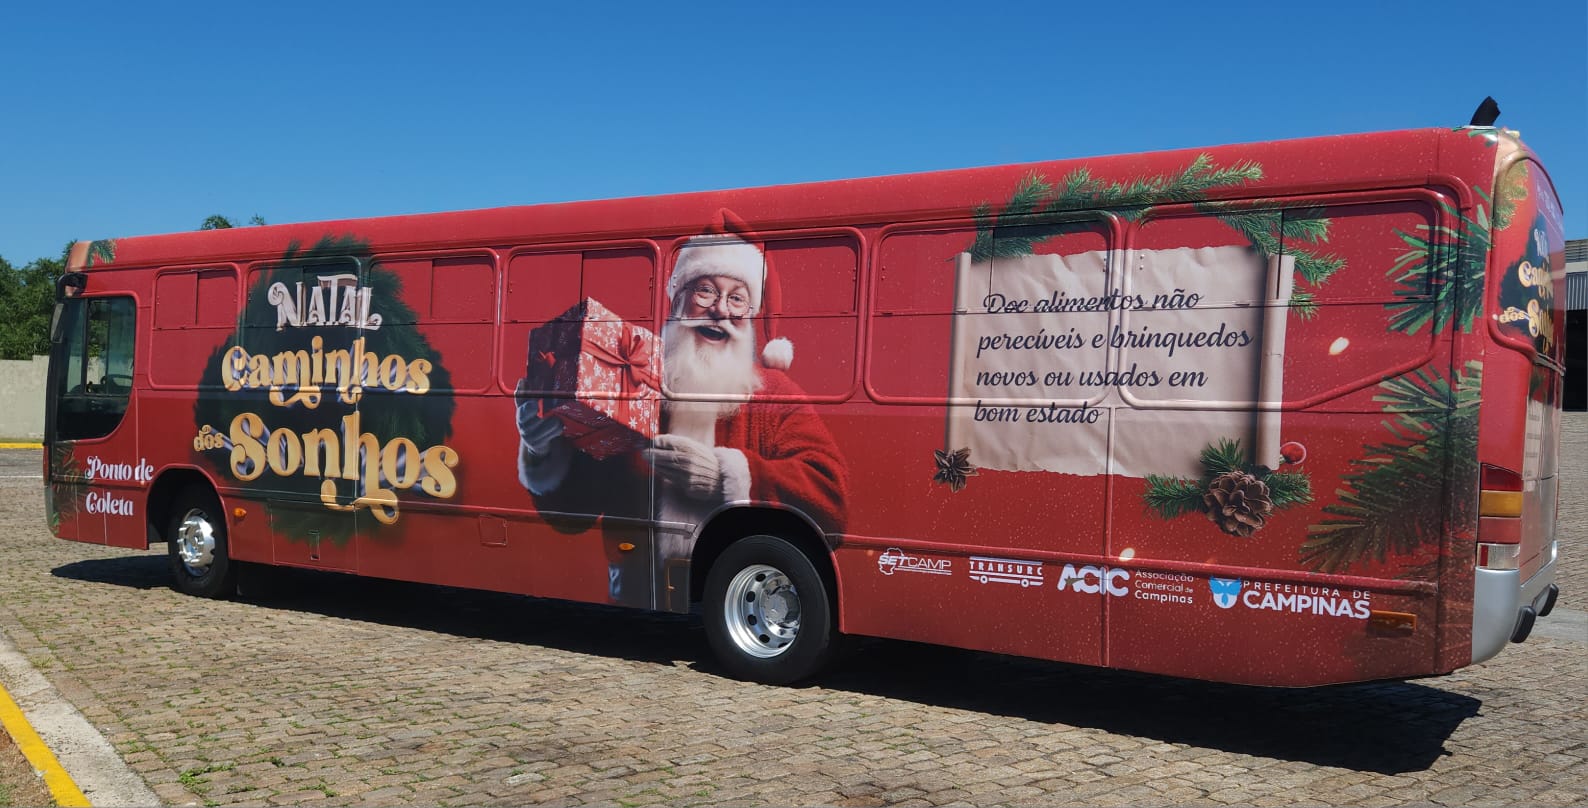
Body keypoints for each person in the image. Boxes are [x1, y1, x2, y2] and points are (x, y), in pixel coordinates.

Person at [515, 220, 849, 604]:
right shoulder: (634, 384)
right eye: (705, 291)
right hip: (632, 596)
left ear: (750, 315)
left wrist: (727, 475)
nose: (720, 310)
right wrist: (544, 451)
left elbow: (831, 496)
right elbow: (571, 516)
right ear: (678, 300)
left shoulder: (774, 395)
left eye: (737, 298)